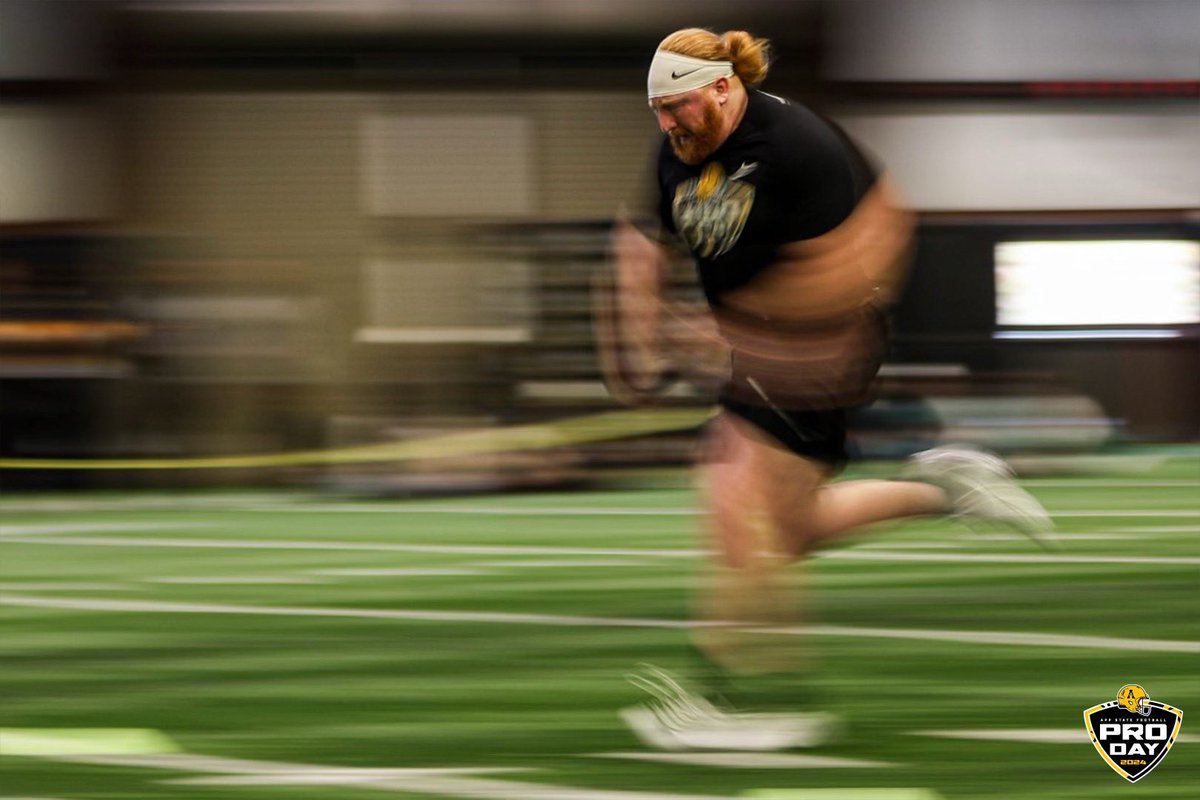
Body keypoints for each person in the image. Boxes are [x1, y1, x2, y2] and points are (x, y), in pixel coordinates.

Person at [595, 28, 1055, 752]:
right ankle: (944, 489)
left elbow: (864, 258)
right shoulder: (679, 147)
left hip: (821, 352)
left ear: (721, 87)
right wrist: (635, 334)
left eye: (676, 106)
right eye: (657, 109)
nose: (666, 123)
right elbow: (638, 240)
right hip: (749, 352)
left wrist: (738, 336)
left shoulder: (796, 144)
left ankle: (734, 700)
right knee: (791, 528)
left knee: (735, 506)